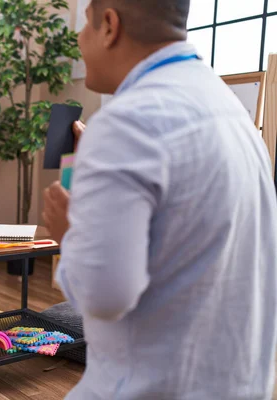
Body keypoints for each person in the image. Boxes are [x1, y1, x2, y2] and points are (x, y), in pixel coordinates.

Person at [42, 0, 277, 398]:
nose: (80, 40)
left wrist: (71, 234)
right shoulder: (230, 110)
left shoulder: (126, 121)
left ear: (110, 25)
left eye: (84, 25)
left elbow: (106, 296)